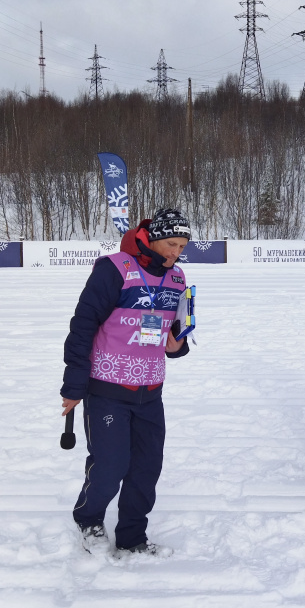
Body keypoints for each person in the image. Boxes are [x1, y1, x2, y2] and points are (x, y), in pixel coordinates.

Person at [60, 208, 192, 554]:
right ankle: (88, 518)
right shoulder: (114, 268)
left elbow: (172, 334)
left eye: (182, 246)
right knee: (111, 465)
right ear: (153, 237)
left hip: (151, 392)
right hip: (106, 389)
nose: (176, 253)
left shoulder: (177, 279)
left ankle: (133, 536)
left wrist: (178, 345)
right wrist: (74, 386)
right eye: (171, 244)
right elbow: (83, 325)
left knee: (146, 469)